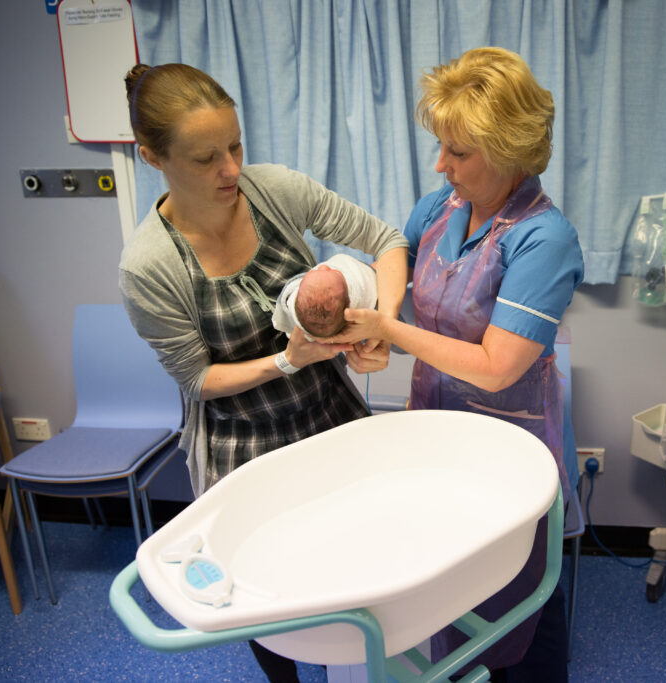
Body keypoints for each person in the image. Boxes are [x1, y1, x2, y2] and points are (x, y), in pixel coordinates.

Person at [118, 62, 407, 683]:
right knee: (270, 602)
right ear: (152, 158)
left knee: (359, 565)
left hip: (330, 416)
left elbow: (385, 240)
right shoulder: (149, 266)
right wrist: (286, 360)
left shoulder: (276, 191)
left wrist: (381, 325)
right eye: (205, 158)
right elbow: (195, 379)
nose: (231, 170)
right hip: (242, 446)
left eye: (235, 145)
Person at [326, 47, 584, 683]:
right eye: (441, 147)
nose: (441, 166)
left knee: (518, 608)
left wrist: (394, 330)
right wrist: (375, 319)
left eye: (459, 153)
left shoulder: (542, 238)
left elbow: (497, 365)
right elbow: (394, 255)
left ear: (509, 150)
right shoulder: (441, 210)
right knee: (448, 586)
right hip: (436, 431)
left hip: (509, 447)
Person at [271, 253, 377, 340]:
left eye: (313, 271)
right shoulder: (356, 299)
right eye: (335, 272)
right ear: (349, 299)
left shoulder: (292, 301)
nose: (323, 266)